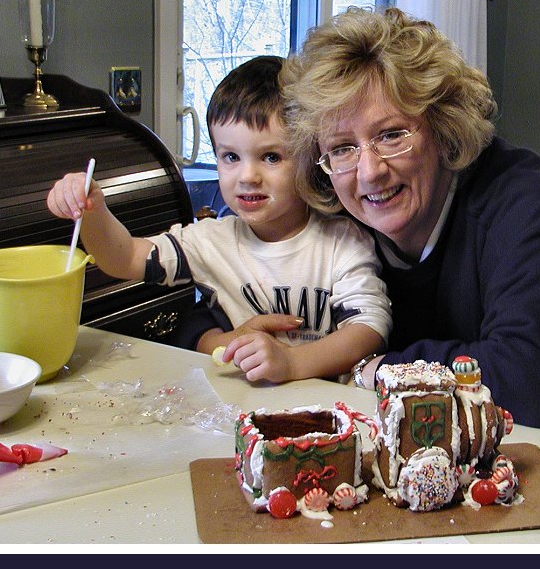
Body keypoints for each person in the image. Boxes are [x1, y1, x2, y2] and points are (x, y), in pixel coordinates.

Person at [182, 8, 540, 447]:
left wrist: (372, 370)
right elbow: (206, 296)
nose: (369, 171)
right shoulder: (340, 213)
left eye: (391, 135)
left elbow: (529, 387)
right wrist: (222, 342)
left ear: (443, 128)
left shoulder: (530, 209)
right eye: (342, 147)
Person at [46, 55, 391, 384]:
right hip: (237, 406)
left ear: (309, 157)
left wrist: (292, 362)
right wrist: (93, 211)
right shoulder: (208, 241)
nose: (247, 176)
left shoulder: (342, 241)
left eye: (271, 157)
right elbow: (123, 257)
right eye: (230, 156)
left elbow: (370, 329)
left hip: (328, 415)